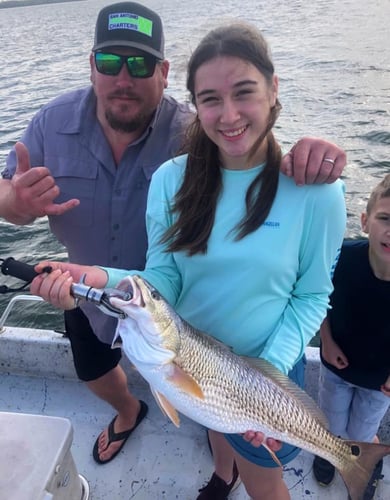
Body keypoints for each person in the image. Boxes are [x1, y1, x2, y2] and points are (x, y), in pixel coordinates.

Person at [0, 2, 346, 468]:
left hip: (236, 350)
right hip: (135, 315)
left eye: (140, 63)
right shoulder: (156, 170)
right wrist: (24, 216)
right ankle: (136, 416)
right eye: (110, 61)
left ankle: (231, 460)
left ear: (164, 74)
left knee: (257, 467)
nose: (124, 76)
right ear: (92, 66)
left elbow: (310, 292)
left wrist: (315, 150)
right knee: (105, 374)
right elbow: (162, 272)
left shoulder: (303, 187)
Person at [312, 175, 390, 500]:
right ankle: (328, 451)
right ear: (364, 221)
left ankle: (369, 462)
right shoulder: (341, 257)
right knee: (329, 422)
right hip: (336, 366)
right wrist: (326, 341)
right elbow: (318, 299)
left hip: (380, 382)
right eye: (385, 218)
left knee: (361, 432)